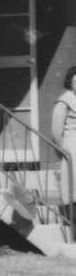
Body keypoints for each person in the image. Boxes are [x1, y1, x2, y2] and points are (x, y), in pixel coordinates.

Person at [51, 67, 76, 222]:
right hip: (72, 144)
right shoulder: (65, 100)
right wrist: (65, 150)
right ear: (70, 82)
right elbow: (56, 133)